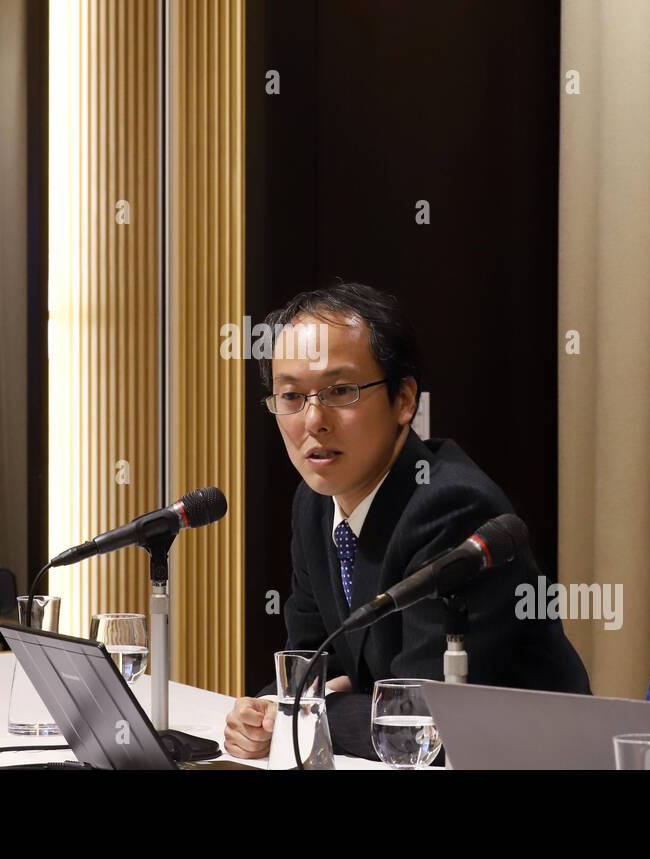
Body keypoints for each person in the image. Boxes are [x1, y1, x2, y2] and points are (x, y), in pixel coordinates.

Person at [223, 283, 590, 760]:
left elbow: (419, 718)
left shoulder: (452, 508)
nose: (313, 420)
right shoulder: (314, 503)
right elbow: (312, 659)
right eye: (291, 396)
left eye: (340, 391)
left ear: (404, 400)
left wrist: (297, 710)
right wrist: (264, 712)